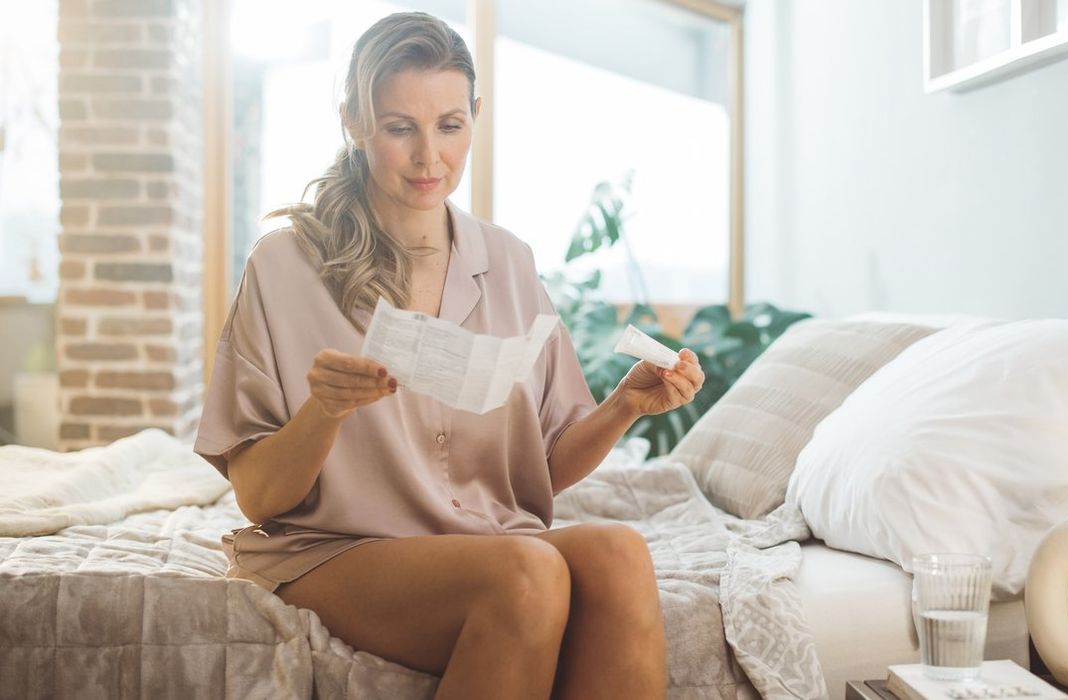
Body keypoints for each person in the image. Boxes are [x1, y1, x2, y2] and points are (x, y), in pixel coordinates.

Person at [194, 11, 704, 700]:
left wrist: (622, 407)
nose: (429, 158)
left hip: (484, 540)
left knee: (617, 552)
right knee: (528, 574)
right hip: (339, 551)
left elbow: (539, 472)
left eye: (449, 126)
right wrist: (325, 411)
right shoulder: (284, 265)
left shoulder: (509, 262)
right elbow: (257, 498)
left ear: (475, 117)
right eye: (399, 127)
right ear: (353, 121)